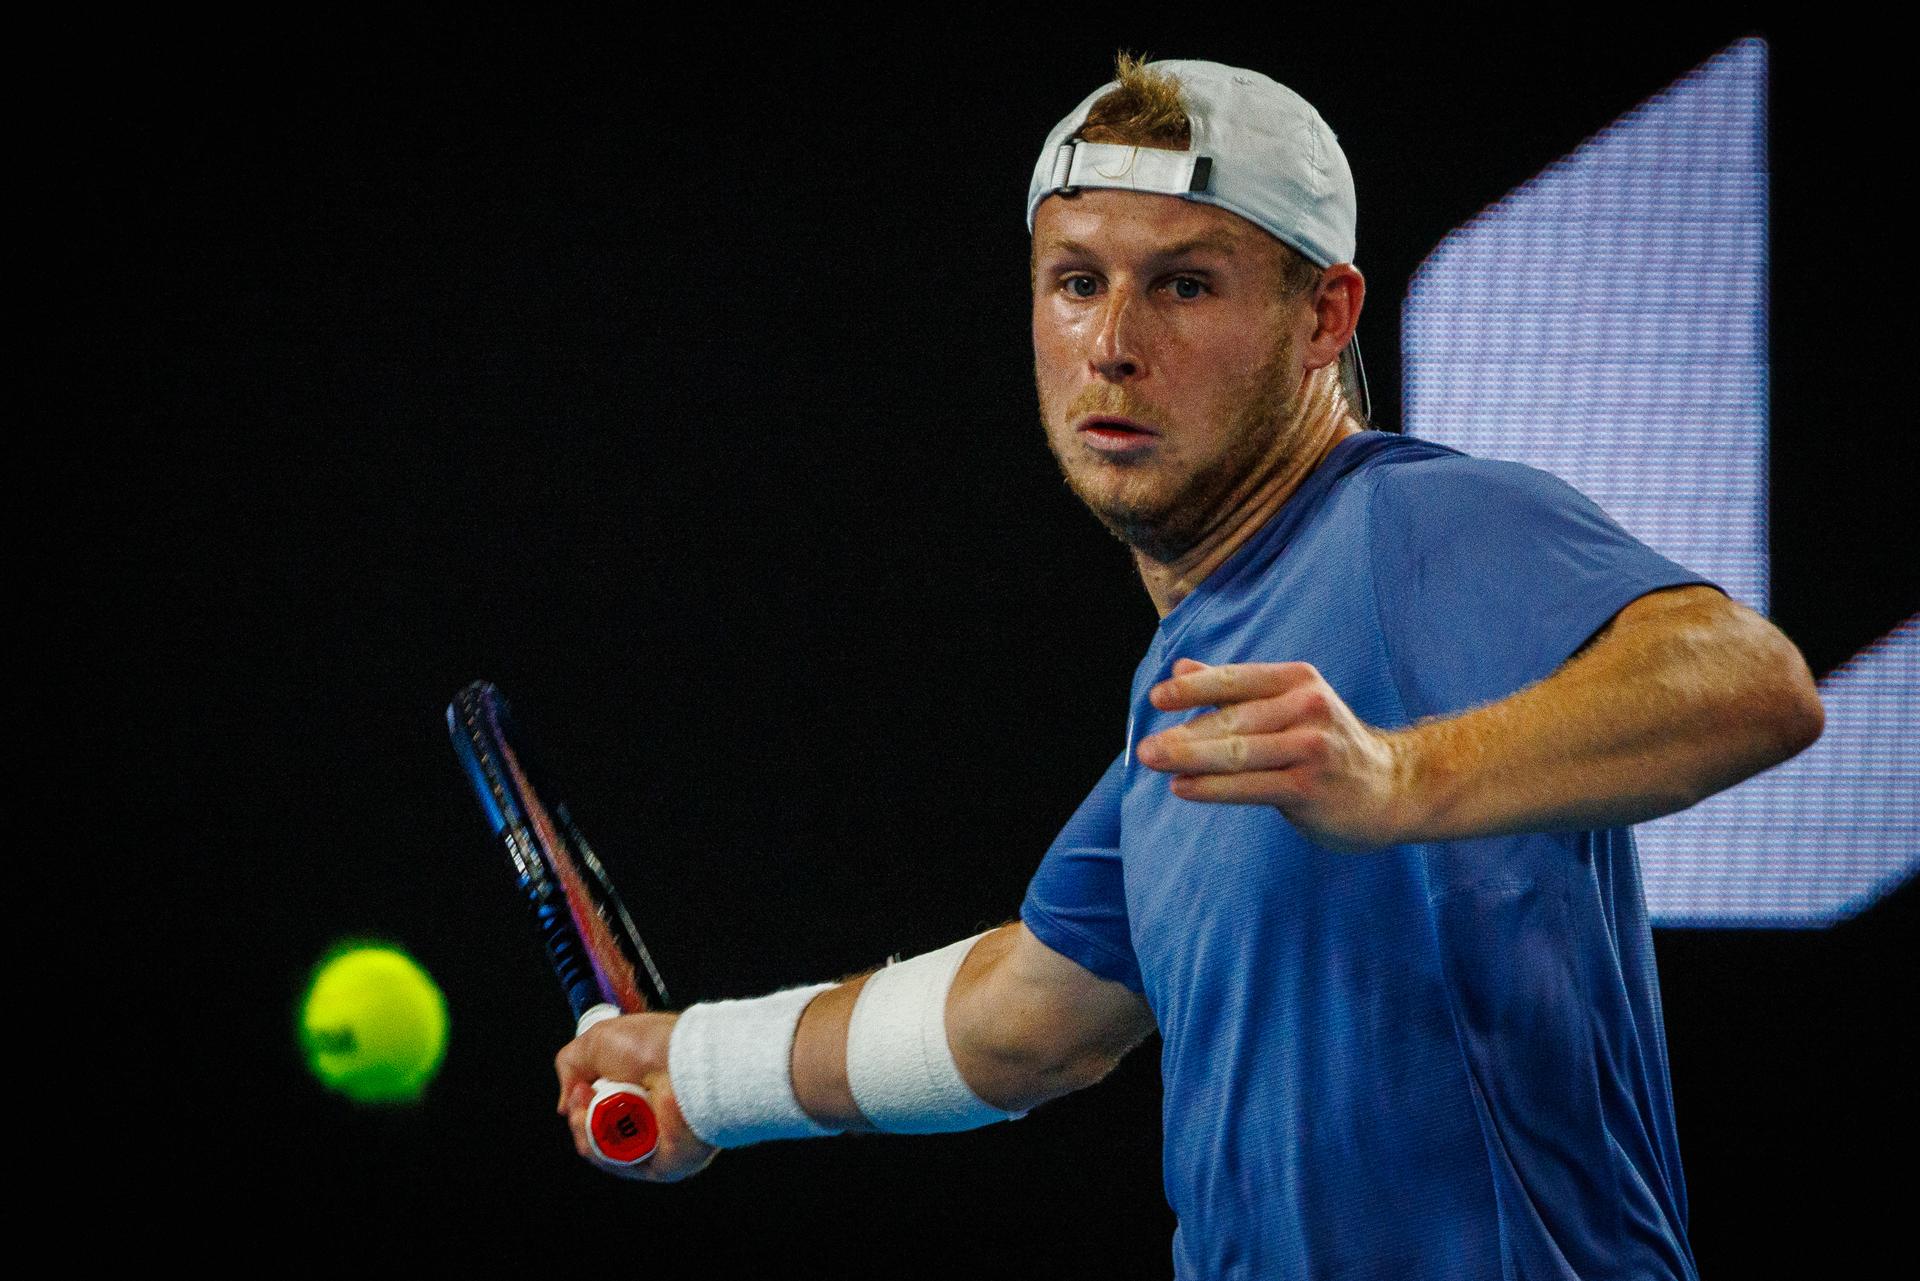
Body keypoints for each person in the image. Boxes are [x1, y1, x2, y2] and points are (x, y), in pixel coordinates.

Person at [556, 55, 1824, 1279]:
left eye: (1185, 287)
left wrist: (1400, 775)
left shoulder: (1407, 526)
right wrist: (704, 1073)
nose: (1111, 343)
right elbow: (1027, 1017)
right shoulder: (1209, 698)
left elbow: (1748, 683)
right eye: (1075, 281)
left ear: (1324, 315)